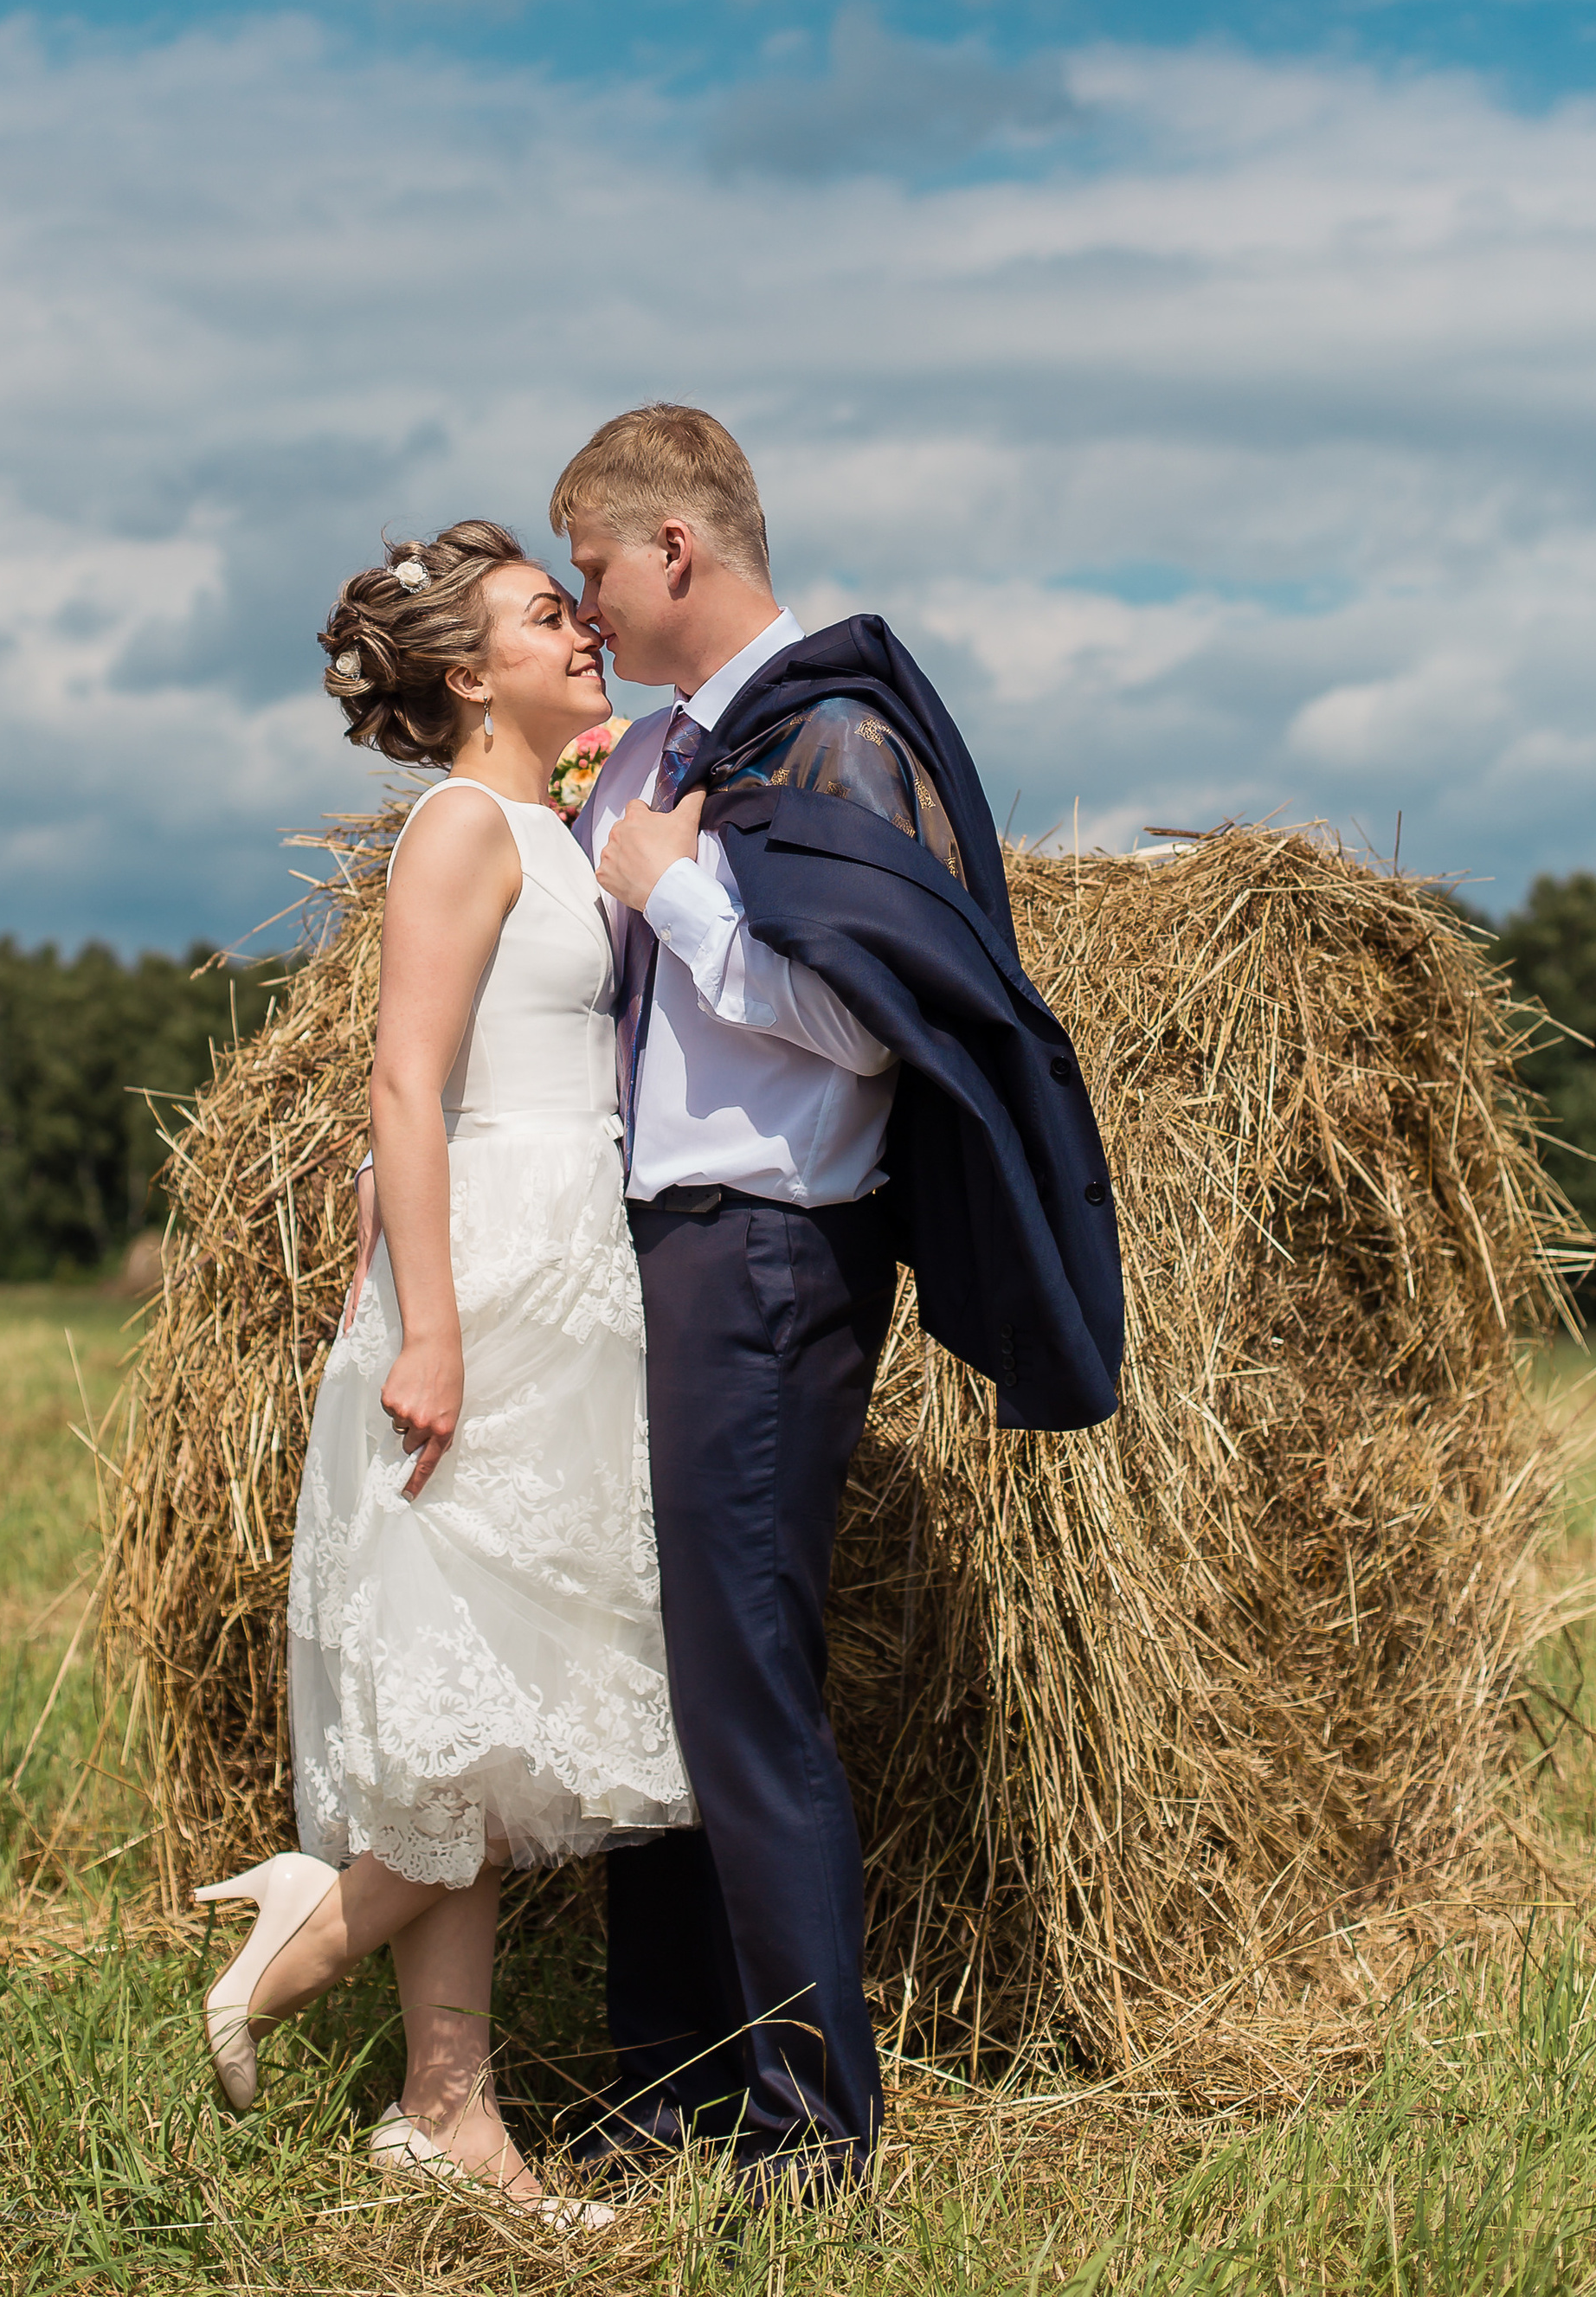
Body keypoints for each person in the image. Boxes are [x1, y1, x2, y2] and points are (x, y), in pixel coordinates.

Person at [557, 404, 1121, 2201]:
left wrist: (680, 902)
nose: (583, 609)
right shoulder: (674, 746)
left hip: (768, 1252)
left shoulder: (835, 741)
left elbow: (875, 1029)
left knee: (744, 1686)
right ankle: (671, 2086)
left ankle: (810, 2133)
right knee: (661, 1680)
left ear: (673, 553)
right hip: (665, 1245)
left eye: (593, 570)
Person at [190, 519, 692, 2231]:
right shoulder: (461, 827)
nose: (585, 636)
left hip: (563, 1278)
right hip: (486, 1285)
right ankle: (295, 1946)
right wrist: (423, 1328)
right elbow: (404, 1089)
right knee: (494, 1718)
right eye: (551, 619)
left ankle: (447, 2112)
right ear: (469, 672)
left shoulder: (550, 830)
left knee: (499, 1723)